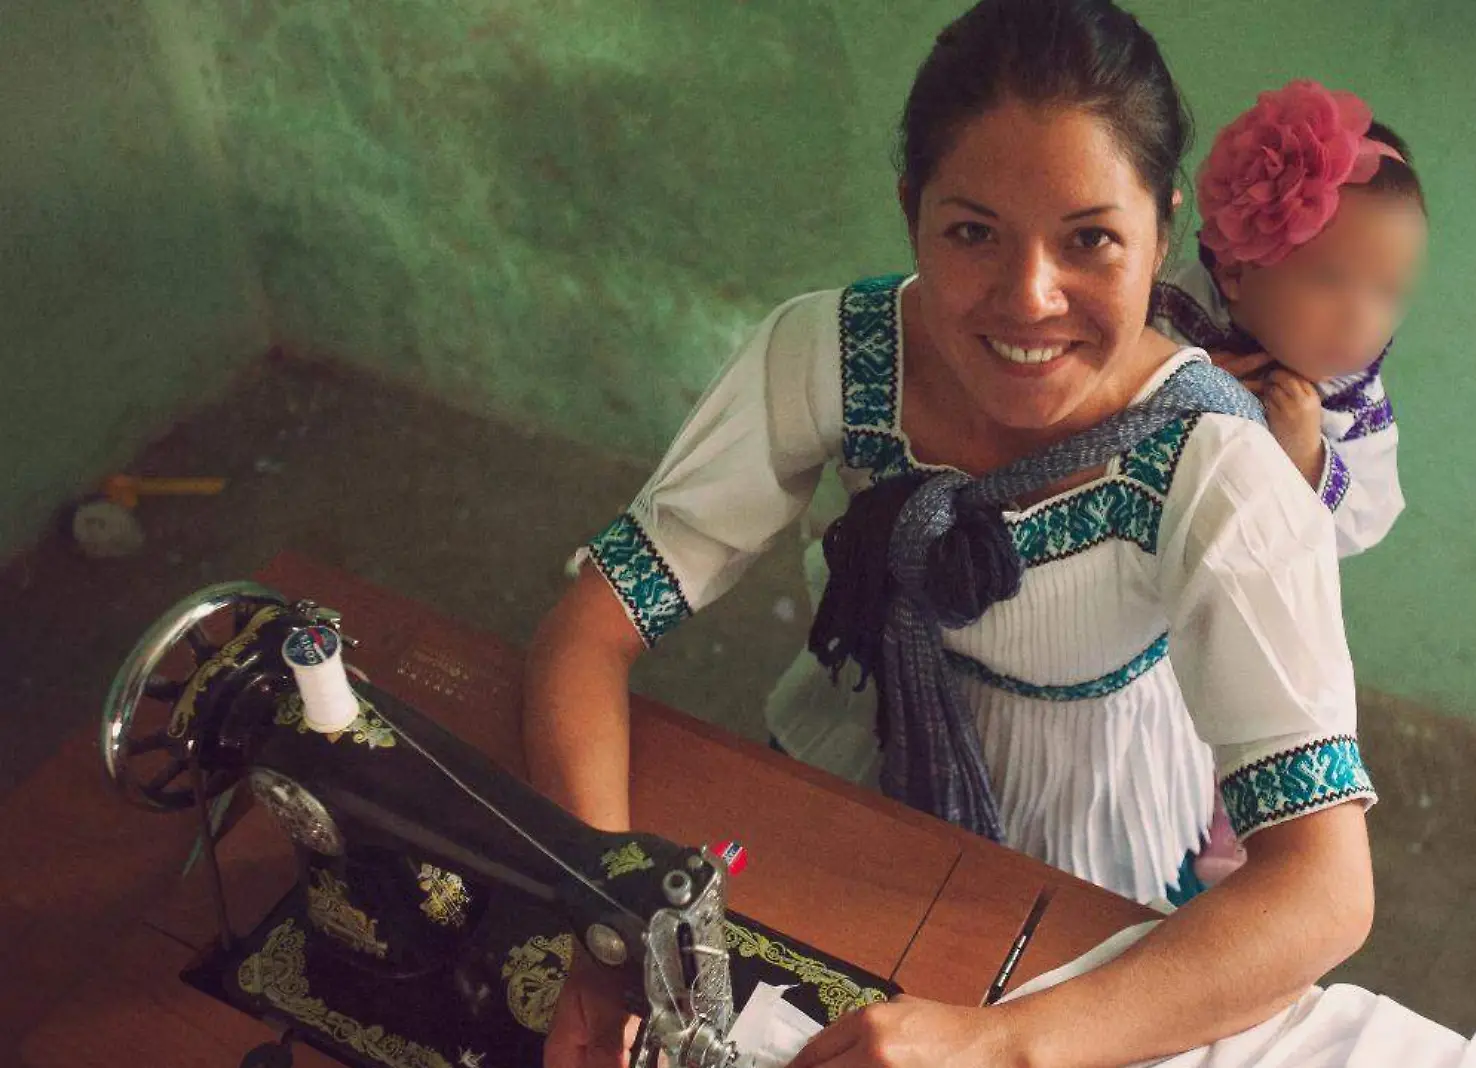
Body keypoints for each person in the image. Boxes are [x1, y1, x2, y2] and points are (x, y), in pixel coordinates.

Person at [524, 2, 1375, 1065]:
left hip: (1079, 823)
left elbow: (1325, 892)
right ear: (909, 211)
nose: (1028, 298)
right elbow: (588, 630)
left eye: (1091, 239)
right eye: (971, 231)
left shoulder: (1218, 469)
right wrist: (609, 933)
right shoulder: (830, 354)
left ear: (1161, 229)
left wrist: (1000, 1048)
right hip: (858, 748)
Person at [1153, 80, 1429, 560]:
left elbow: (1366, 522)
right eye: (1330, 280)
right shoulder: (1172, 312)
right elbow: (1088, 396)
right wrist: (1174, 385)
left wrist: (1307, 455)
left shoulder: (1349, 404)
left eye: (1389, 292)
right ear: (1237, 272)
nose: (1359, 319)